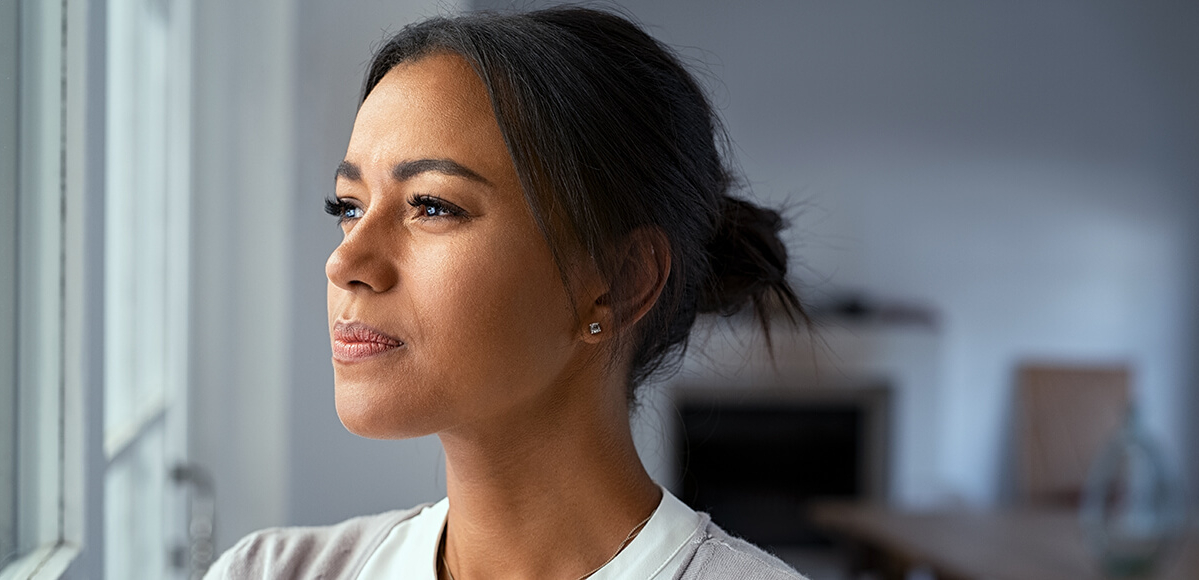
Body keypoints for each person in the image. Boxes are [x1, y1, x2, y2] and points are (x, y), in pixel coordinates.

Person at [205, 6, 808, 579]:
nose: (346, 261)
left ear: (618, 284)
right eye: (350, 206)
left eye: (431, 206)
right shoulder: (268, 572)